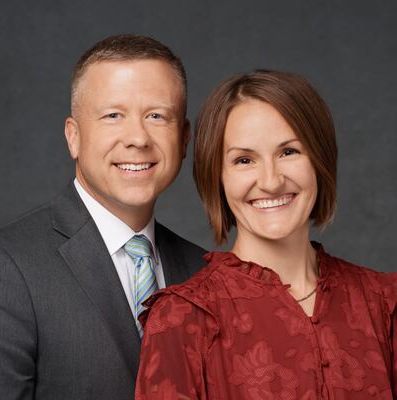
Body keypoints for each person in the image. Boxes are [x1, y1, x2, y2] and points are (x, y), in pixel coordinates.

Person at [136, 70, 397, 399]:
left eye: (289, 152)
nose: (271, 181)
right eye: (244, 160)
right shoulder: (183, 320)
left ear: (320, 160)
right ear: (217, 177)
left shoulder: (386, 304)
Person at [0, 34, 205, 400]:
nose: (138, 138)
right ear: (73, 137)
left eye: (156, 116)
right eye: (113, 116)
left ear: (184, 138)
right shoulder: (9, 265)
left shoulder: (203, 271)